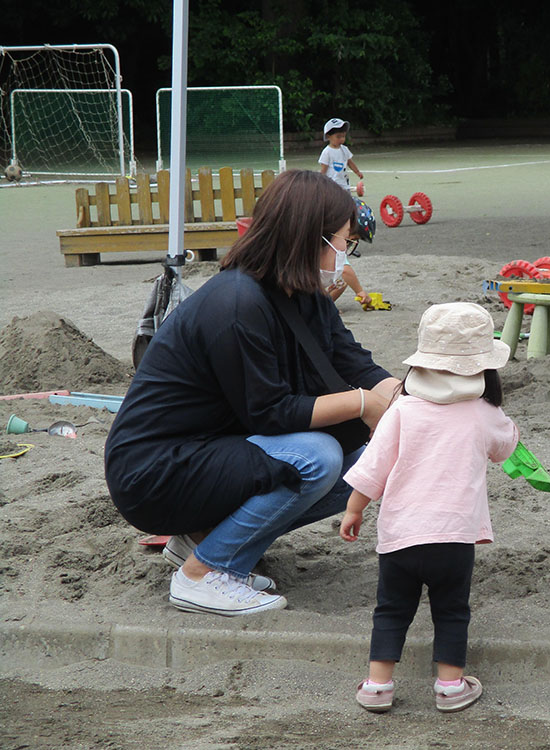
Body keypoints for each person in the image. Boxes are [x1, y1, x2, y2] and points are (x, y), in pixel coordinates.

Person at [105, 170, 400, 616]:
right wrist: (364, 403)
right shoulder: (238, 303)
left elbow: (351, 359)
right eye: (343, 239)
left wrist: (409, 400)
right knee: (317, 456)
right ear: (307, 237)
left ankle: (200, 540)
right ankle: (204, 573)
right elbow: (272, 413)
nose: (346, 251)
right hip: (155, 471)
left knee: (373, 461)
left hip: (212, 451)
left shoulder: (300, 290)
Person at [339, 302, 519, 713]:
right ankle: (451, 686)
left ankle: (378, 685)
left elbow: (373, 468)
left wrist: (354, 510)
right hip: (454, 536)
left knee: (390, 609)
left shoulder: (401, 408)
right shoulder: (483, 411)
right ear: (483, 368)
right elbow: (505, 447)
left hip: (400, 535)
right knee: (452, 610)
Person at [326, 198, 376, 308]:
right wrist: (360, 292)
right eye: (351, 238)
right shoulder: (332, 241)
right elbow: (346, 271)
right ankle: (322, 308)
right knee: (342, 279)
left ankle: (322, 305)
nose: (348, 244)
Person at [319, 117, 364, 193]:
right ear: (328, 136)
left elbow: (350, 162)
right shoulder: (327, 152)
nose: (342, 139)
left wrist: (357, 172)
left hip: (344, 184)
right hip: (331, 185)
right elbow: (324, 169)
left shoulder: (344, 149)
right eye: (338, 137)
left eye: (343, 136)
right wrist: (319, 182)